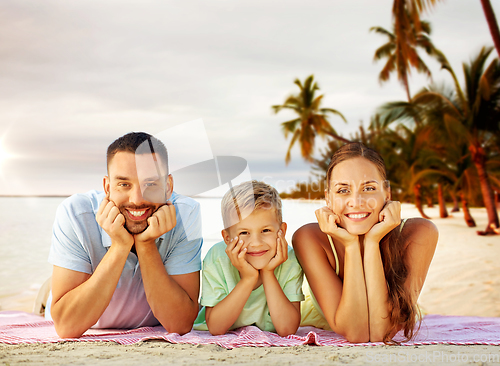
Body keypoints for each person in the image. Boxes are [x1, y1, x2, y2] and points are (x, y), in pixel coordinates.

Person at [46, 132, 202, 338]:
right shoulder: (75, 213)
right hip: (73, 294)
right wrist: (120, 246)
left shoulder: (186, 213)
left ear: (168, 187)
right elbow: (67, 327)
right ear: (107, 188)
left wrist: (146, 245)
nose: (137, 199)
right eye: (124, 184)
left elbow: (180, 324)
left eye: (150, 184)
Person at [293, 142, 438, 343]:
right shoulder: (309, 238)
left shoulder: (420, 233)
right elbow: (356, 333)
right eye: (343, 190)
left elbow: (382, 333)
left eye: (369, 188)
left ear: (387, 193)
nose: (356, 201)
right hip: (334, 317)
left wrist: (372, 242)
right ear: (328, 198)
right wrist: (352, 245)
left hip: (384, 317)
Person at [193, 181, 304, 336]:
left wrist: (268, 273)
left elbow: (287, 330)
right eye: (244, 233)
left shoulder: (289, 259)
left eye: (266, 230)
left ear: (282, 231)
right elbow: (216, 328)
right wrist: (248, 279)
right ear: (227, 237)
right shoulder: (217, 258)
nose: (256, 243)